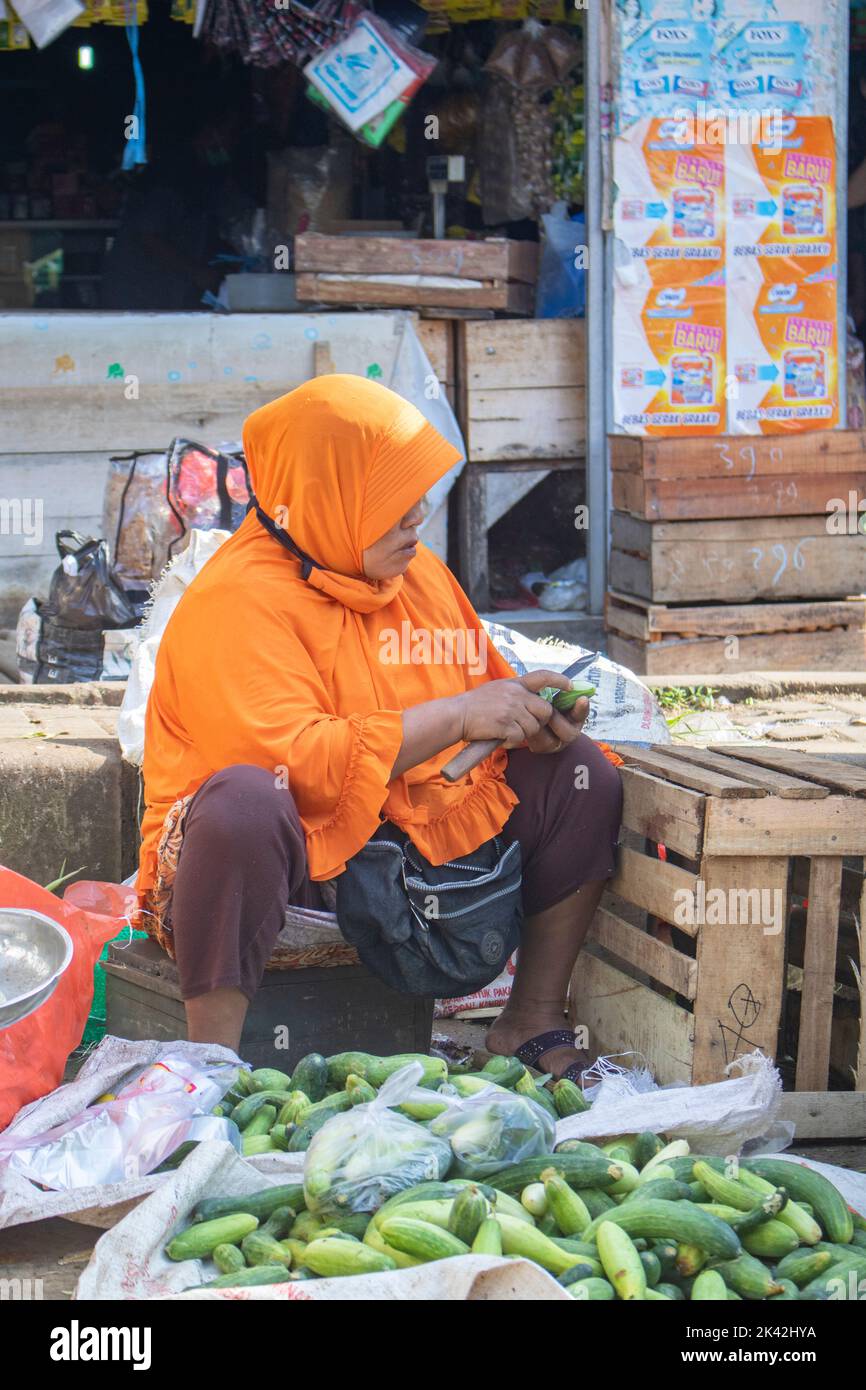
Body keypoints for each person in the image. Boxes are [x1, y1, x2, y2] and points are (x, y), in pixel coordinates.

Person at [137, 376, 622, 1084]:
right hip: (287, 867)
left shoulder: (415, 575)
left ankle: (531, 1018)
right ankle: (210, 1066)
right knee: (244, 804)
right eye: (390, 502)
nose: (417, 517)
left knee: (582, 774)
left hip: (404, 843)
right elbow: (298, 769)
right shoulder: (235, 604)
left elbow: (474, 697)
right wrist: (459, 716)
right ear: (324, 498)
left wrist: (528, 719)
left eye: (418, 495)